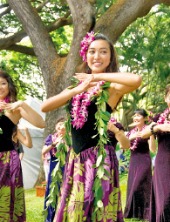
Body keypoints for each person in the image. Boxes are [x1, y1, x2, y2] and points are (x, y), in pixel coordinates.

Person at [41, 31, 142, 221]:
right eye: (92, 51)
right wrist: (78, 89)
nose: (97, 56)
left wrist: (97, 77)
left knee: (97, 212)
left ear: (110, 57)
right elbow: (45, 106)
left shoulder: (111, 86)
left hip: (98, 157)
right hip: (76, 157)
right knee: (73, 212)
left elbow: (136, 80)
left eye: (103, 52)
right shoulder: (76, 86)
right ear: (85, 55)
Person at [0, 70, 45, 222]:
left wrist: (23, 104)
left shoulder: (15, 109)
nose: (0, 87)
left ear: (9, 86)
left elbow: (41, 123)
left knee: (7, 200)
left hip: (6, 160)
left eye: (3, 83)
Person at [140, 84, 170, 222]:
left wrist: (163, 127)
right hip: (163, 162)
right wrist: (155, 128)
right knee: (164, 201)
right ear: (166, 98)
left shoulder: (162, 123)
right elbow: (146, 138)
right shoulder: (159, 118)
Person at [124, 109, 156, 221]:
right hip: (134, 161)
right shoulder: (131, 132)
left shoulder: (147, 130)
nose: (135, 117)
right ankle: (136, 214)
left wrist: (151, 134)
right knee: (133, 185)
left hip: (144, 161)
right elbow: (125, 147)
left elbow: (153, 149)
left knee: (139, 186)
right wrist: (130, 138)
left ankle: (146, 213)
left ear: (145, 118)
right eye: (134, 115)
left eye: (138, 115)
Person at [42, 117, 66, 222]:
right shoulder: (51, 138)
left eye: (63, 124)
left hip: (67, 165)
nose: (61, 126)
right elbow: (43, 151)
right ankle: (50, 218)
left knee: (65, 190)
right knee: (52, 191)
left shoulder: (70, 138)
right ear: (56, 126)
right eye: (59, 124)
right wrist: (54, 144)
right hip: (54, 165)